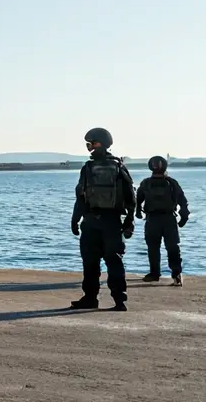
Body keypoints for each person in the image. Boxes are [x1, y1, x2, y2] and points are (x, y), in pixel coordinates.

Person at [69, 128, 135, 311]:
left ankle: (102, 299)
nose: (89, 147)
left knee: (100, 262)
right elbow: (131, 196)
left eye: (92, 143)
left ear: (101, 143)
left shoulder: (96, 168)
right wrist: (130, 220)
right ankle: (108, 300)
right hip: (104, 221)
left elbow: (81, 197)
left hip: (100, 221)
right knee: (103, 261)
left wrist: (75, 220)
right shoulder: (113, 167)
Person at [136, 155, 189, 287]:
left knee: (153, 247)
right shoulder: (172, 183)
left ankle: (154, 273)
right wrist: (184, 217)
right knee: (172, 247)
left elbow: (138, 200)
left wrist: (137, 212)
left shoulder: (146, 183)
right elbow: (183, 201)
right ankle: (176, 274)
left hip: (152, 219)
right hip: (168, 219)